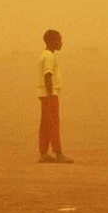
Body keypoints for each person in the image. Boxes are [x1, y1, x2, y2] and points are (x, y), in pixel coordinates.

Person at [37, 29, 73, 163]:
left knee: (45, 124)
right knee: (53, 123)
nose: (61, 43)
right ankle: (58, 153)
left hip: (44, 94)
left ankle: (43, 153)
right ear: (52, 42)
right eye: (59, 40)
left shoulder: (44, 55)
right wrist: (51, 94)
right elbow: (48, 75)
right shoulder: (49, 57)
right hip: (49, 95)